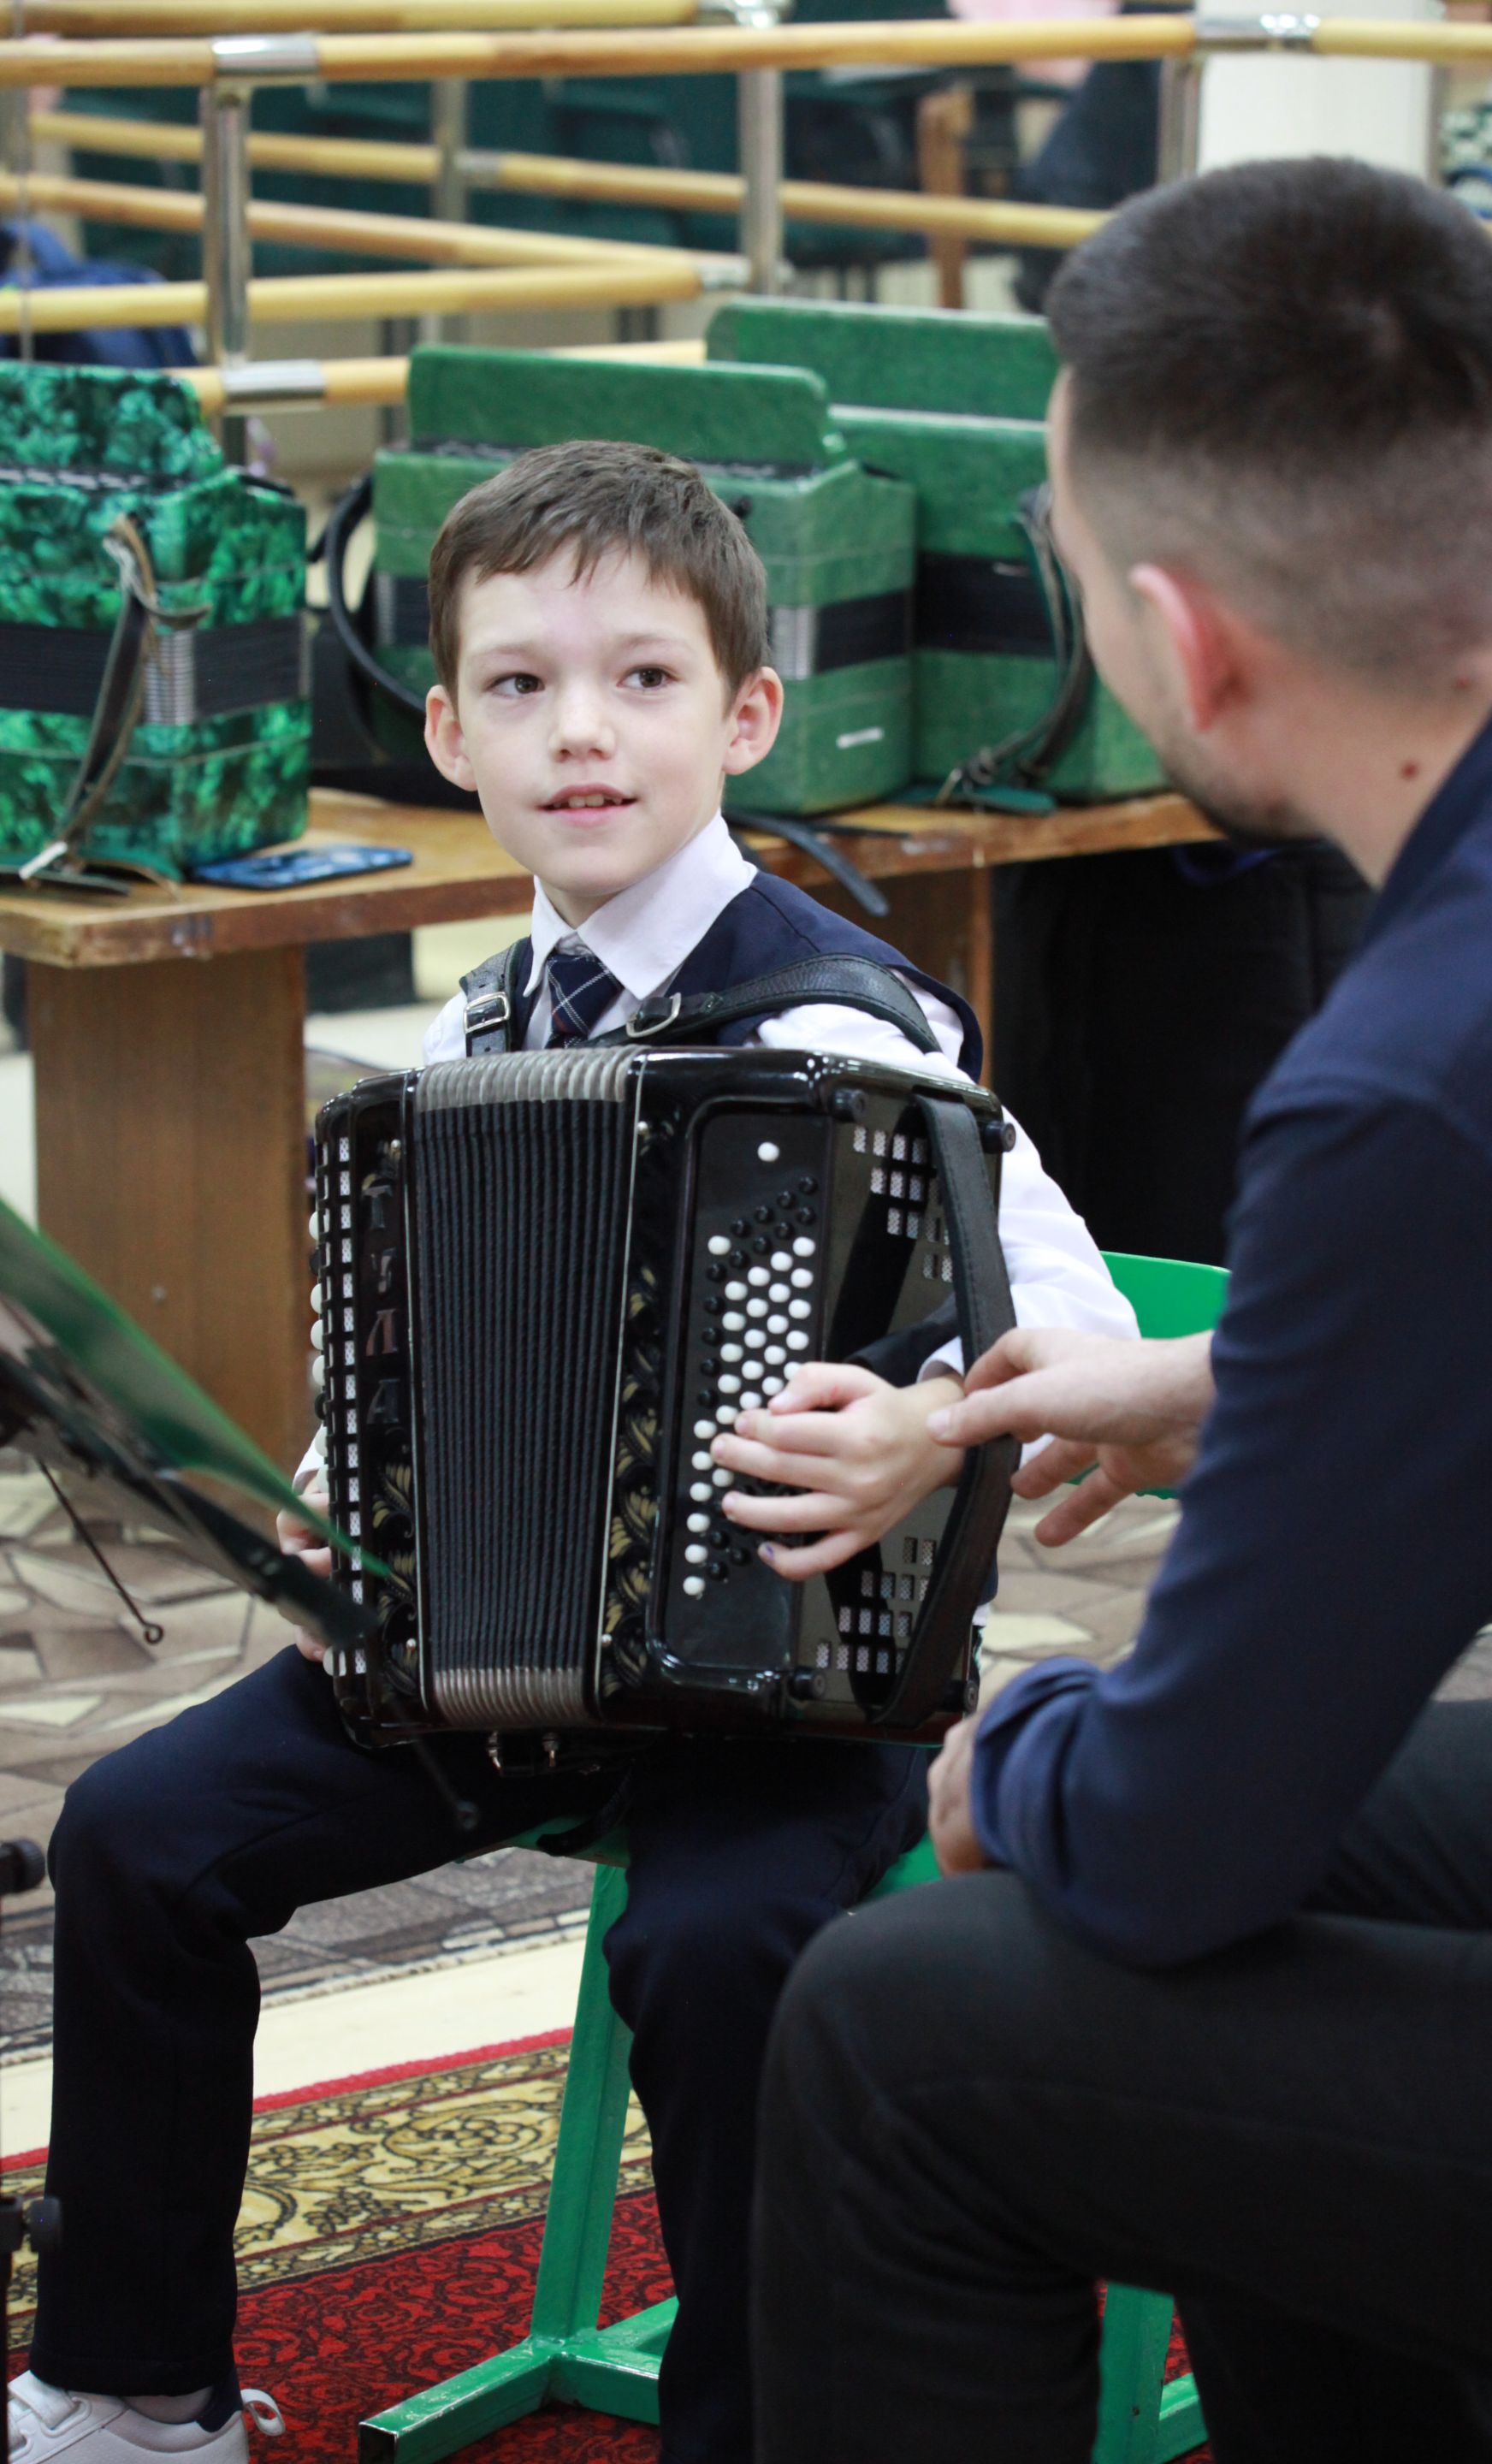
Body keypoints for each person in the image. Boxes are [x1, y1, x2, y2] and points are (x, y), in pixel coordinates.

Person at [12, 440, 1134, 2464]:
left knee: (723, 1950)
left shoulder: (852, 1030)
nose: (581, 732)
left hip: (793, 1685)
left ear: (746, 714)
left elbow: (1088, 1347)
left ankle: (769, 2430)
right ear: (446, 730)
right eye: (519, 686)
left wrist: (917, 1429)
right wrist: (346, 1477)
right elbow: (429, 1344)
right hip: (492, 1664)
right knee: (140, 1838)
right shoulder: (480, 1024)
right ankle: (137, 2386)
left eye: (641, 679)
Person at [749, 157, 1492, 2464]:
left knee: (918, 2012)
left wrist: (1001, 1758)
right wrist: (1246, 1373)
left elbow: (1174, 1832)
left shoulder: (1418, 1077)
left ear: (1187, 642)